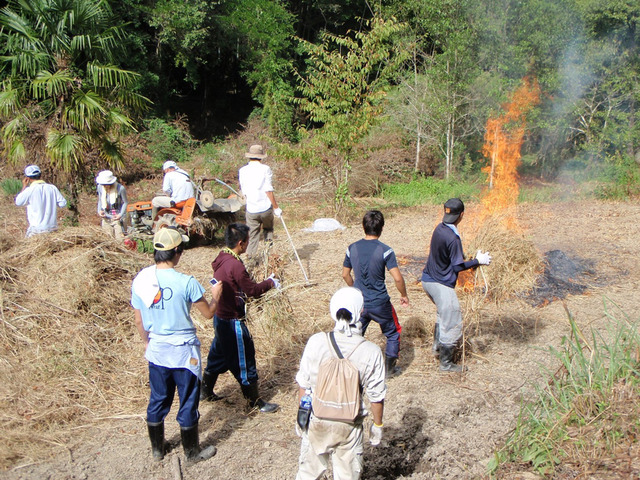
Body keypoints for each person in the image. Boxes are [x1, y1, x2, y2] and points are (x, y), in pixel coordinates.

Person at [131, 227, 223, 464]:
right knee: (188, 398)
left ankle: (157, 449)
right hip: (184, 352)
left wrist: (146, 343)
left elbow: (139, 320)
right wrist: (216, 295)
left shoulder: (141, 280)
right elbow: (208, 314)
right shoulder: (187, 282)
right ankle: (192, 453)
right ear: (178, 252)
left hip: (158, 351)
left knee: (159, 398)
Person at [295, 287, 386, 480]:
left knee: (308, 475)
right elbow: (376, 396)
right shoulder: (371, 351)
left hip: (317, 420)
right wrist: (377, 425)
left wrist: (302, 417)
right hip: (350, 426)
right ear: (360, 312)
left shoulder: (316, 341)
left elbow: (304, 384)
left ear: (332, 311)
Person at [201, 222, 280, 413]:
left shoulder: (221, 258)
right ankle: (254, 401)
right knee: (245, 359)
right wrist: (270, 282)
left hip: (220, 318)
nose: (247, 245)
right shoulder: (235, 265)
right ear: (241, 243)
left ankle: (205, 391)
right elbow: (252, 290)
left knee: (218, 354)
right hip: (232, 321)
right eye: (247, 242)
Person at [422, 198, 492, 372]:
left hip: (427, 281)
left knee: (442, 315)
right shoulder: (453, 238)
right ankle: (446, 364)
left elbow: (452, 258)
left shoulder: (440, 228)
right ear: (461, 215)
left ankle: (437, 348)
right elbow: (457, 266)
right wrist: (478, 261)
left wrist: (472, 260)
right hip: (441, 285)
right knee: (452, 320)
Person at [342, 210, 409, 377]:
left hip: (359, 304)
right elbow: (398, 278)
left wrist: (354, 291)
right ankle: (390, 369)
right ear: (382, 228)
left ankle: (350, 367)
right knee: (393, 332)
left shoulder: (352, 248)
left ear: (363, 226)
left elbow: (345, 274)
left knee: (355, 334)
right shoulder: (385, 251)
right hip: (380, 303)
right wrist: (403, 295)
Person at [238, 144, 282, 262]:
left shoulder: (242, 171)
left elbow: (244, 191)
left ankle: (250, 260)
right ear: (261, 157)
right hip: (265, 207)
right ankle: (268, 257)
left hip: (251, 209)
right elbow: (268, 190)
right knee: (268, 231)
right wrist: (276, 207)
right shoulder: (265, 169)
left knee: (253, 237)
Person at [14, 164, 67, 237]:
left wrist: (24, 186)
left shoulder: (29, 190)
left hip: (36, 231)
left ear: (27, 178)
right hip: (52, 229)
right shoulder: (52, 188)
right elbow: (63, 204)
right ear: (40, 175)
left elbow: (18, 202)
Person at [95, 170, 128, 240]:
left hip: (118, 218)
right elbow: (100, 200)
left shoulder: (120, 188)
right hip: (106, 218)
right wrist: (99, 211)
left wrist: (120, 215)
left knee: (120, 240)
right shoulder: (100, 187)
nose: (104, 186)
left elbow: (125, 202)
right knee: (108, 239)